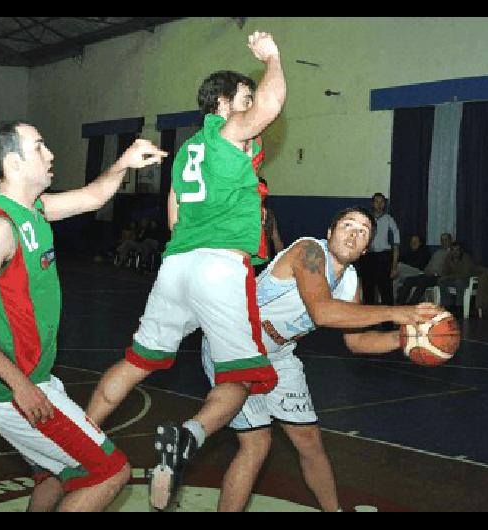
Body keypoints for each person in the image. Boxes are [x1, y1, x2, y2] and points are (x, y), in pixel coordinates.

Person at [85, 30, 287, 511]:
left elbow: (175, 219)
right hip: (220, 266)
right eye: (243, 98)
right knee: (239, 378)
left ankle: (84, 435)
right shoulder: (228, 131)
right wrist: (273, 58)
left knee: (137, 362)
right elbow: (273, 104)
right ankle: (188, 437)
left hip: (176, 266)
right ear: (222, 103)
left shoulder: (184, 155)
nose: (250, 104)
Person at [0, 121, 167, 512]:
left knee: (55, 475)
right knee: (112, 472)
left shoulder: (36, 211)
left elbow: (93, 197)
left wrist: (124, 163)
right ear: (13, 164)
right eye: (40, 147)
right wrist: (20, 385)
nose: (51, 155)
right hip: (13, 389)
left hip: (36, 380)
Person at [202, 207, 442, 511]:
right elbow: (322, 311)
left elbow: (357, 342)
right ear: (330, 233)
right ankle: (187, 438)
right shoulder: (309, 251)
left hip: (278, 353)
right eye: (347, 226)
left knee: (310, 442)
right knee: (256, 444)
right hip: (237, 342)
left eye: (363, 231)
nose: (354, 233)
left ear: (366, 248)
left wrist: (408, 338)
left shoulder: (351, 282)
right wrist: (397, 312)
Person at [357, 192, 400, 305]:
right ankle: (370, 320)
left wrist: (394, 266)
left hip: (383, 258)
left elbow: (396, 244)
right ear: (372, 203)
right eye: (377, 202)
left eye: (382, 202)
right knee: (368, 291)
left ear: (385, 204)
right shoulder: (366, 219)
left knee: (386, 291)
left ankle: (388, 322)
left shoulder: (389, 219)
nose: (379, 204)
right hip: (367, 256)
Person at [397, 232, 452, 305]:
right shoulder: (438, 252)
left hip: (438, 276)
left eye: (446, 240)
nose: (443, 242)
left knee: (422, 281)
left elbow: (449, 268)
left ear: (450, 241)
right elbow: (430, 265)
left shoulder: (452, 253)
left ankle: (412, 304)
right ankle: (400, 303)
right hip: (428, 274)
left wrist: (437, 273)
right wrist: (426, 271)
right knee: (409, 280)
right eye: (442, 240)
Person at [437, 241, 475, 318]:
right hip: (453, 279)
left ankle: (459, 307)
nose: (455, 252)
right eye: (453, 250)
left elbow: (464, 274)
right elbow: (445, 271)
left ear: (461, 250)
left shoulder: (465, 258)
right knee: (442, 282)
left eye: (457, 250)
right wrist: (443, 275)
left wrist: (448, 276)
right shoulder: (449, 257)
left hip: (465, 280)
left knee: (459, 282)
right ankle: (447, 306)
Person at [392, 234, 430, 301]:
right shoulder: (408, 252)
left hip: (419, 272)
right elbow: (400, 259)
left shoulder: (424, 252)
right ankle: (394, 300)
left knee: (398, 267)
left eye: (415, 241)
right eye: (412, 242)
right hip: (407, 273)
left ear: (420, 243)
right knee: (395, 275)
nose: (413, 243)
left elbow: (420, 265)